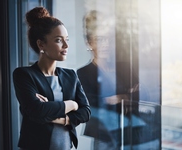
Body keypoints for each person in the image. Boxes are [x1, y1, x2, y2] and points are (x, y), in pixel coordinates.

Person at [13, 7, 91, 150]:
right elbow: (37, 110)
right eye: (58, 40)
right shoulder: (24, 74)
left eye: (66, 40)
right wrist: (72, 104)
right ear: (41, 44)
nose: (66, 45)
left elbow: (85, 112)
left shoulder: (70, 75)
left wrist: (60, 118)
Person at [77, 10, 142, 150]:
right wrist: (127, 96)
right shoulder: (83, 73)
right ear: (89, 43)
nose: (106, 44)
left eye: (108, 39)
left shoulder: (124, 67)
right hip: (104, 135)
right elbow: (92, 104)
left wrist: (119, 97)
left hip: (130, 130)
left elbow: (142, 94)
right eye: (99, 39)